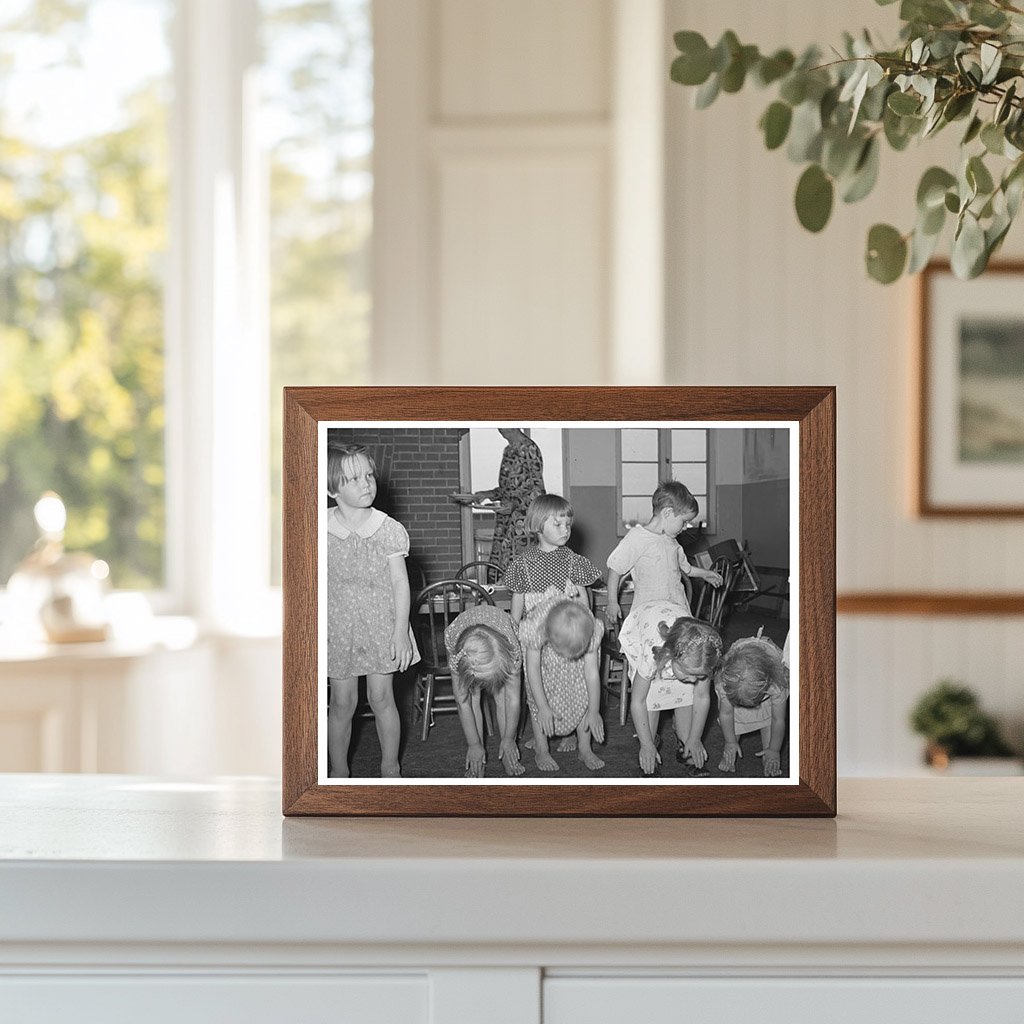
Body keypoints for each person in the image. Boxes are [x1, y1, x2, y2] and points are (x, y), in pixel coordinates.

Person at [325, 444, 418, 778]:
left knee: (381, 699)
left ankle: (390, 769)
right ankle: (338, 773)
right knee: (341, 704)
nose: (366, 484)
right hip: (337, 628)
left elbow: (400, 584)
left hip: (382, 625)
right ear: (332, 489)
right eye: (353, 479)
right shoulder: (318, 529)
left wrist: (400, 632)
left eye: (369, 475)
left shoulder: (388, 528)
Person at [605, 480, 723, 624]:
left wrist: (707, 574)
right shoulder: (638, 537)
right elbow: (615, 568)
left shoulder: (672, 541)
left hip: (677, 609)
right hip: (649, 612)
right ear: (667, 512)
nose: (685, 527)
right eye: (684, 521)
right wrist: (612, 602)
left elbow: (687, 569)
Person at [518, 586, 605, 772]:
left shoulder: (587, 626)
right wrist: (542, 707)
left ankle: (585, 748)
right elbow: (532, 670)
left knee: (582, 696)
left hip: (576, 671)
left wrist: (594, 710)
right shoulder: (536, 626)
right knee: (539, 702)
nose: (569, 657)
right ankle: (541, 749)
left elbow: (591, 673)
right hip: (544, 667)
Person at [625, 613, 723, 776]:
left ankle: (685, 742)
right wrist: (646, 744)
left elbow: (701, 697)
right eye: (689, 673)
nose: (693, 680)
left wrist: (695, 737)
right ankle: (650, 747)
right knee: (650, 698)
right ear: (671, 655)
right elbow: (638, 701)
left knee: (687, 693)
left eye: (699, 676)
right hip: (643, 623)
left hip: (676, 617)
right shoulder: (651, 657)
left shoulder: (703, 658)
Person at [444, 604, 525, 778]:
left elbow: (513, 700)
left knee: (503, 695)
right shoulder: (456, 650)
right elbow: (462, 703)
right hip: (461, 631)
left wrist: (510, 738)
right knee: (472, 697)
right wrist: (473, 745)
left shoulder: (512, 651)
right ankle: (477, 757)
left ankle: (507, 750)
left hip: (503, 627)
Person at [503, 493, 601, 625]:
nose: (565, 530)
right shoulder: (523, 564)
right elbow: (518, 598)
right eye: (557, 524)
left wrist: (586, 624)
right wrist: (513, 628)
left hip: (566, 631)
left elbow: (582, 598)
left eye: (567, 525)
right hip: (535, 632)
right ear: (537, 526)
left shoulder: (574, 561)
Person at [456, 427, 545, 570]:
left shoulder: (530, 449)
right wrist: (484, 495)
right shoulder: (508, 451)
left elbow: (537, 491)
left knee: (518, 568)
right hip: (504, 520)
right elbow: (506, 490)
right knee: (500, 567)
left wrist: (515, 504)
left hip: (522, 522)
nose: (499, 429)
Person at [715, 631, 790, 777]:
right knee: (732, 728)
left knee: (769, 722)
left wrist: (774, 750)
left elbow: (778, 720)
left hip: (769, 669)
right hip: (740, 667)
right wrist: (730, 742)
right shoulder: (725, 682)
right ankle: (730, 748)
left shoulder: (776, 685)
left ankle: (769, 756)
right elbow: (726, 713)